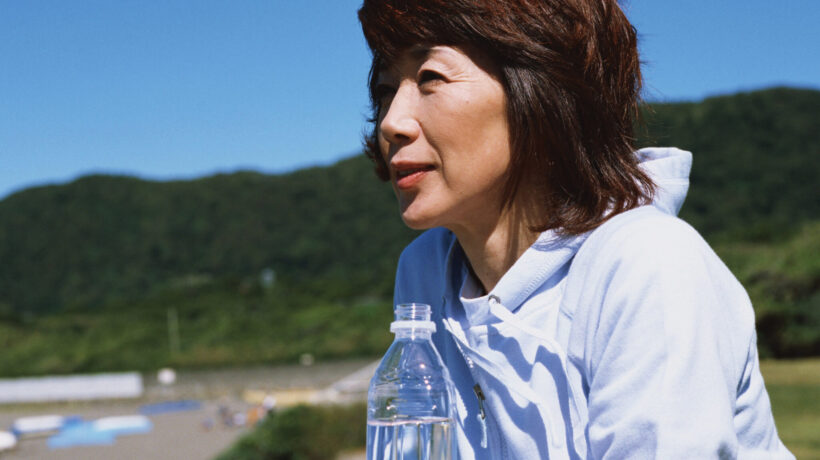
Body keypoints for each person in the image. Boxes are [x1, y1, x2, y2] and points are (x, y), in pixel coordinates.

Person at [358, 0, 793, 459]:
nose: (392, 122)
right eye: (386, 90)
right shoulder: (426, 272)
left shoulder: (646, 263)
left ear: (541, 89)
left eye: (431, 78)